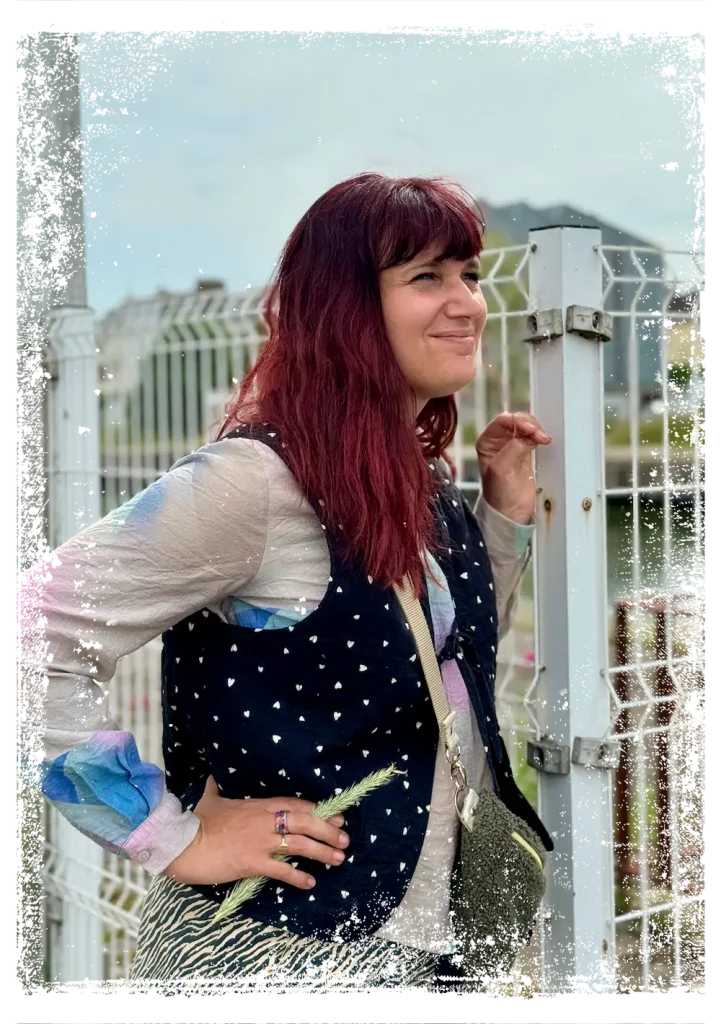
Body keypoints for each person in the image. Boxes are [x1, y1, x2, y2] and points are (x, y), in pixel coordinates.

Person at [15, 172, 553, 997]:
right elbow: (31, 634)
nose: (468, 304)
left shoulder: (414, 477)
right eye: (426, 277)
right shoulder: (252, 484)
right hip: (275, 954)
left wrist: (503, 518)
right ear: (345, 308)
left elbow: (442, 663)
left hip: (421, 941)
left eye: (469, 275)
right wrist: (170, 835)